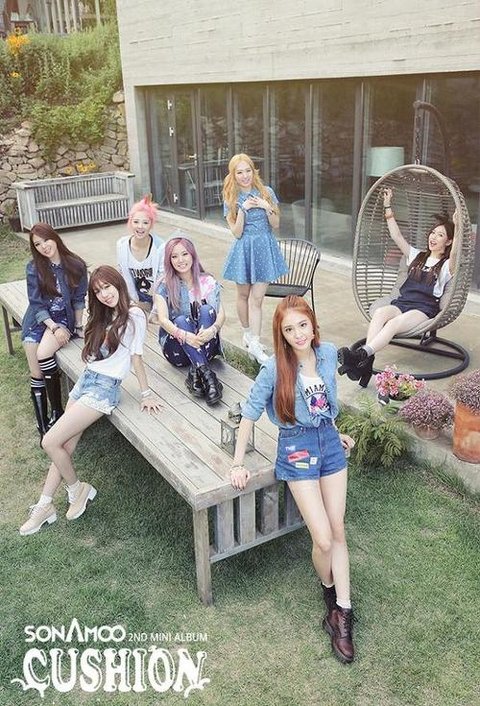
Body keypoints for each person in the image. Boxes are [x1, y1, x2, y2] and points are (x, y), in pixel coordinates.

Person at [229, 296, 356, 664]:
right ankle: (328, 589)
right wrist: (238, 463)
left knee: (337, 531)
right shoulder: (274, 368)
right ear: (281, 335)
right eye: (289, 329)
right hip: (297, 449)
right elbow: (249, 414)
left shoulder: (328, 354)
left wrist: (334, 431)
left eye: (303, 325)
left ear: (312, 324)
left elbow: (324, 403)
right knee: (322, 538)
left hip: (329, 444)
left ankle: (343, 613)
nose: (298, 334)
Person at [20, 265, 161, 536]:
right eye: (98, 291)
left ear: (118, 284)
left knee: (49, 441)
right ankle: (45, 505)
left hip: (103, 389)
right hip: (87, 380)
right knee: (63, 446)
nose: (104, 294)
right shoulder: (104, 314)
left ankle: (77, 489)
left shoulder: (134, 315)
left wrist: (146, 394)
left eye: (108, 287)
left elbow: (136, 357)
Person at [338, 187, 459, 387]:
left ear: (448, 241)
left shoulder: (447, 266)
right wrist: (388, 205)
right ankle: (365, 363)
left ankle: (361, 356)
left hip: (422, 309)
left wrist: (458, 226)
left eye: (440, 235)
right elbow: (396, 236)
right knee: (380, 314)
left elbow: (455, 254)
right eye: (433, 232)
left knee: (393, 324)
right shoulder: (416, 255)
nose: (433, 237)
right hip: (403, 302)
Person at [21, 223, 88, 439]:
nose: (43, 246)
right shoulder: (34, 268)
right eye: (37, 244)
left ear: (55, 237)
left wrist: (77, 326)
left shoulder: (76, 265)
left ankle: (57, 412)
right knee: (36, 372)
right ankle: (42, 426)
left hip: (62, 318)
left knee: (43, 354)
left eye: (46, 240)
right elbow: (36, 304)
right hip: (37, 320)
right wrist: (53, 327)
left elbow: (79, 299)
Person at [222, 153, 288, 364]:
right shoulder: (231, 198)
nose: (245, 176)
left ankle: (256, 343)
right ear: (233, 175)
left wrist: (266, 206)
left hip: (264, 248)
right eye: (239, 172)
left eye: (248, 170)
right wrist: (243, 210)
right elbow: (236, 233)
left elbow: (276, 224)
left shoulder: (266, 192)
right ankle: (247, 333)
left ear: (253, 171)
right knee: (243, 295)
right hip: (244, 249)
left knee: (257, 298)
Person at [152, 235, 226, 405]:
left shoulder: (207, 281)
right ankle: (209, 378)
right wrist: (185, 336)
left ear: (192, 255)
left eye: (184, 254)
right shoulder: (164, 285)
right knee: (181, 320)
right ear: (169, 260)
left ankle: (198, 372)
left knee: (207, 310)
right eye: (174, 256)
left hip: (206, 346)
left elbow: (221, 314)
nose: (180, 260)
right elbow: (162, 320)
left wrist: (212, 330)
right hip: (177, 352)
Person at [116, 194, 165, 312]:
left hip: (158, 297)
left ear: (151, 224)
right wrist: (135, 303)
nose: (140, 227)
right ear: (130, 222)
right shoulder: (122, 246)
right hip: (134, 297)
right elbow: (124, 277)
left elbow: (162, 279)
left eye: (145, 223)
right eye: (136, 222)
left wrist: (154, 307)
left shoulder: (160, 246)